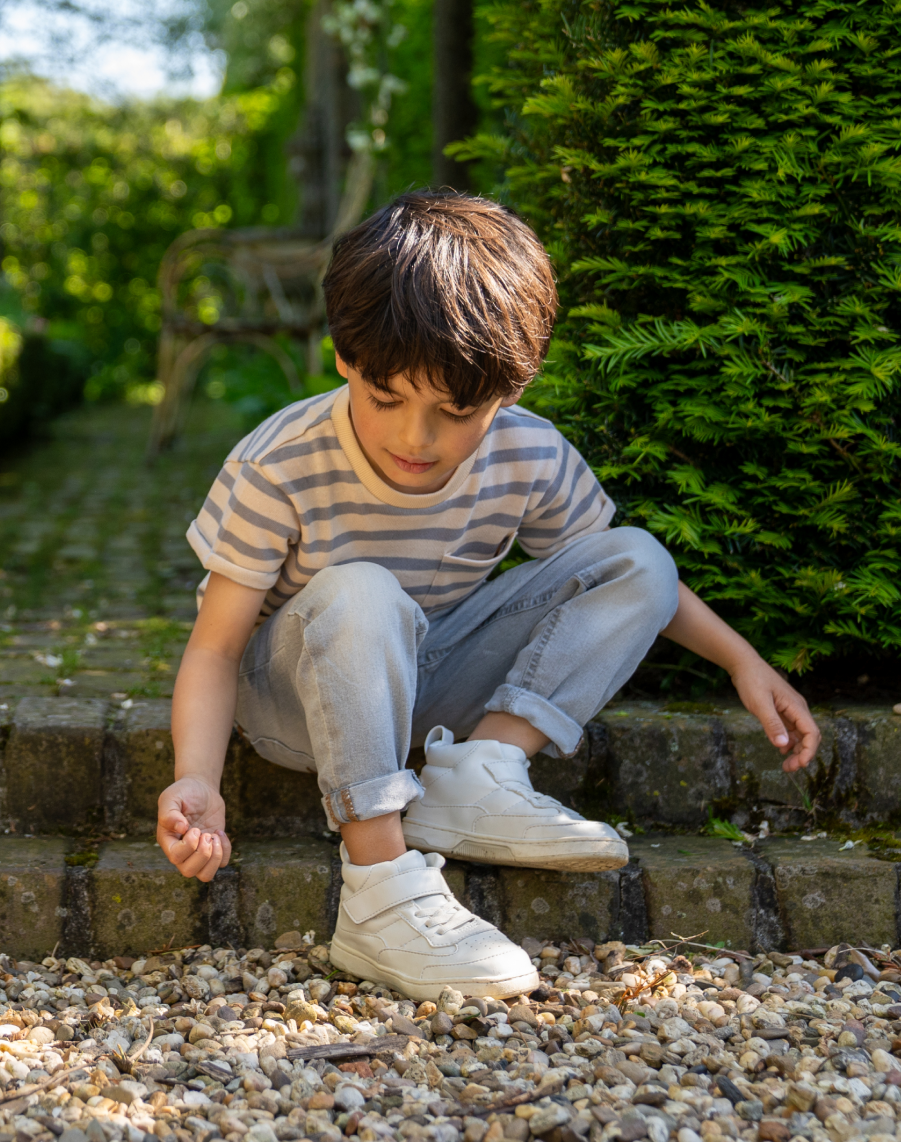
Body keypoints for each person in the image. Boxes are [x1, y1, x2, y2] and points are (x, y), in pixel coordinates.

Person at [156, 192, 820, 999]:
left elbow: (619, 580)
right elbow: (217, 645)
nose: (415, 439)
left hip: (426, 684)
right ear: (344, 358)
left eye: (454, 411)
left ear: (509, 387)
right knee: (362, 593)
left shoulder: (529, 454)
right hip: (295, 697)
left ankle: (478, 770)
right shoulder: (280, 465)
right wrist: (198, 776)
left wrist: (743, 662)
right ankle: (379, 886)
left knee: (638, 557)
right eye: (387, 398)